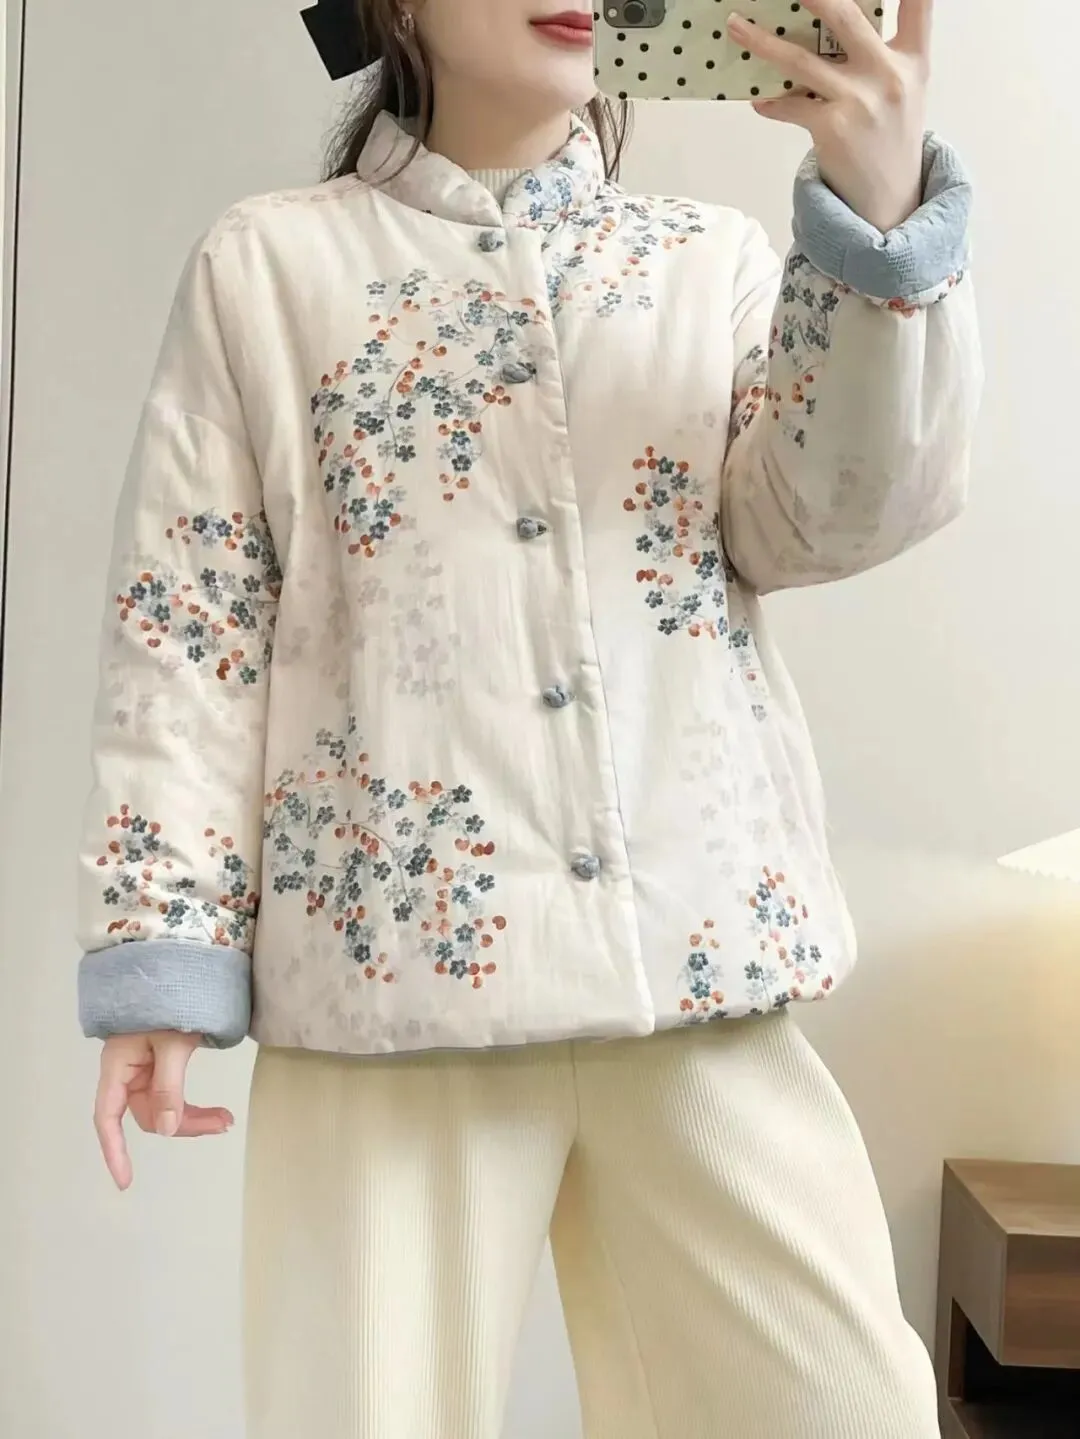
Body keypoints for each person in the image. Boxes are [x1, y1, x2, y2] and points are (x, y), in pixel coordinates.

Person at [76, 0, 980, 1434]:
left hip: (696, 979)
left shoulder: (708, 262)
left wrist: (876, 221)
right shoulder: (269, 268)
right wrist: (162, 946)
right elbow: (192, 625)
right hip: (391, 994)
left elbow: (833, 517)